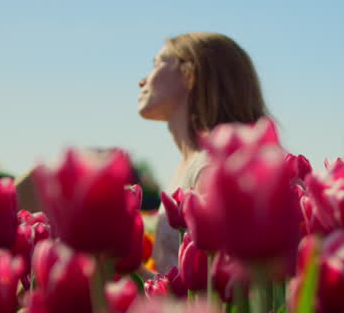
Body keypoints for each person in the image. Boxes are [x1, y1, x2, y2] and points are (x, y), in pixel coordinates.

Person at [17, 32, 267, 271]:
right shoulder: (190, 164)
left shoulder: (211, 169)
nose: (142, 80)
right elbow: (174, 281)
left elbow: (219, 290)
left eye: (157, 64)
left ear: (189, 75)